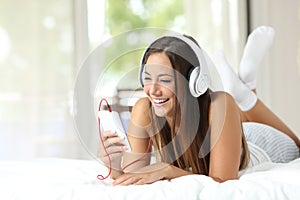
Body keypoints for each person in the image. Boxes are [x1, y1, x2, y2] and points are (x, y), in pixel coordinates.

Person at [98, 26, 300, 185]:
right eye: (148, 78)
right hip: (232, 136)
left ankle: (247, 92)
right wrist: (114, 166)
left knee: (299, 149)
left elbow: (222, 181)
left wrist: (168, 170)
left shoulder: (220, 104)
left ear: (194, 81)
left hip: (262, 145)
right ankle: (246, 86)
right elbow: (135, 174)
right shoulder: (144, 108)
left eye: (165, 80)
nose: (153, 90)